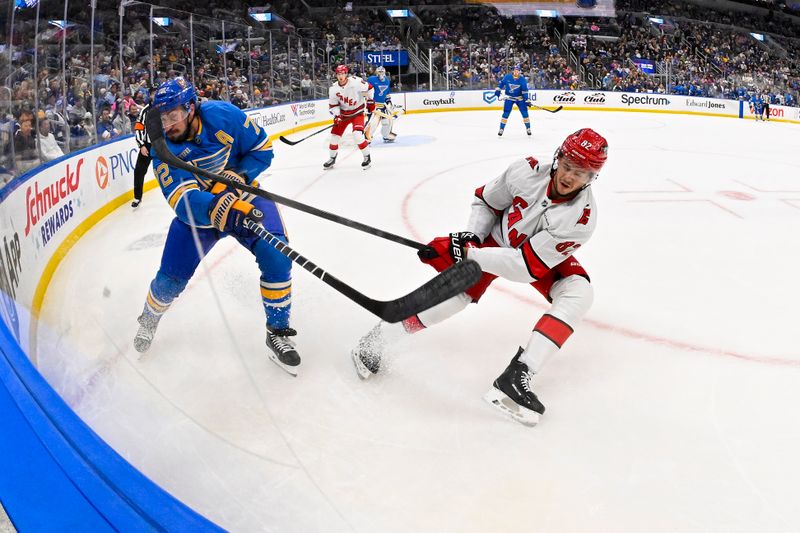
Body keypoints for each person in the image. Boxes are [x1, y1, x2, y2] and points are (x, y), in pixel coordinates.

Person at [351, 129, 609, 427]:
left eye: (581, 174)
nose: (570, 178)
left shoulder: (581, 218)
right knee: (452, 301)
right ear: (557, 158)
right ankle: (379, 338)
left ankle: (517, 375)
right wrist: (471, 238)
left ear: (592, 179)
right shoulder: (525, 170)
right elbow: (487, 202)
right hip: (495, 241)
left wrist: (468, 256)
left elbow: (525, 267)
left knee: (579, 293)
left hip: (535, 258)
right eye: (567, 167)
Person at [133, 77, 301, 375]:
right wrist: (215, 207)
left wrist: (240, 175)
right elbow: (182, 201)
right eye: (163, 117)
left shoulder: (224, 114)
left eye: (174, 115)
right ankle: (149, 317)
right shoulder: (161, 145)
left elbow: (262, 151)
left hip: (243, 196)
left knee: (278, 255)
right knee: (169, 281)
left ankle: (277, 331)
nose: (169, 123)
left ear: (191, 108)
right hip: (199, 215)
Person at [323, 64, 374, 170]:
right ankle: (332, 158)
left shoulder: (356, 81)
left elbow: (370, 88)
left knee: (357, 135)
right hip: (344, 115)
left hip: (357, 113)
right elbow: (333, 105)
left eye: (342, 73)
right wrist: (337, 115)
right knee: (334, 137)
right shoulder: (333, 89)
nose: (340, 76)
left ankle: (366, 156)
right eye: (338, 74)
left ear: (346, 74)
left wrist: (370, 100)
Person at [131, 87, 157, 208]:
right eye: (153, 94)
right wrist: (141, 145)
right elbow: (139, 128)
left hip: (161, 145)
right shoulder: (144, 111)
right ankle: (137, 197)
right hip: (147, 145)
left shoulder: (164, 109)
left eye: (157, 93)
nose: (155, 95)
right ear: (150, 95)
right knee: (139, 171)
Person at [495, 64, 531, 137]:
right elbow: (501, 84)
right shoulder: (507, 77)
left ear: (520, 72)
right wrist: (498, 89)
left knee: (525, 113)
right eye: (515, 71)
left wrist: (527, 100)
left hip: (519, 98)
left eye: (518, 71)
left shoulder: (522, 79)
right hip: (509, 98)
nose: (516, 72)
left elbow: (524, 91)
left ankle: (528, 128)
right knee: (506, 113)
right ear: (513, 71)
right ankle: (501, 129)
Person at [365, 66, 397, 143]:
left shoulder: (387, 81)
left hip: (383, 105)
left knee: (387, 121)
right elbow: (366, 90)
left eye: (382, 72)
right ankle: (367, 136)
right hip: (373, 105)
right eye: (379, 72)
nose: (381, 74)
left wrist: (388, 101)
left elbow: (387, 93)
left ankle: (386, 135)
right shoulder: (371, 79)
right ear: (376, 72)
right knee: (373, 122)